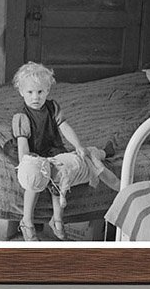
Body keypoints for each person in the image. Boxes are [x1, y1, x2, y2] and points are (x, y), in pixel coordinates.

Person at [5, 61, 90, 242]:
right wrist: (25, 163)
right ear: (21, 92)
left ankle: (57, 219)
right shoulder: (22, 116)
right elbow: (22, 144)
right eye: (30, 92)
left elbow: (65, 126)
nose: (35, 97)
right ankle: (27, 221)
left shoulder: (52, 107)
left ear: (47, 91)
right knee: (35, 179)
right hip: (31, 151)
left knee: (59, 176)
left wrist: (78, 146)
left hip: (50, 148)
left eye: (40, 92)